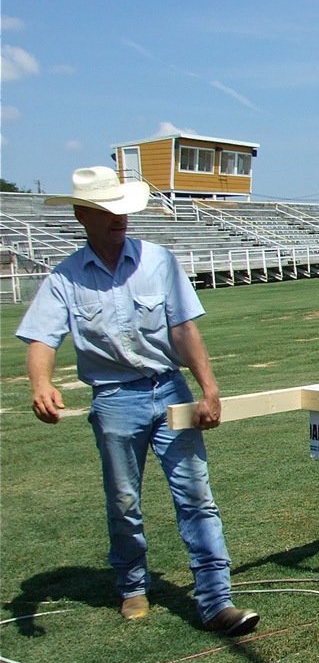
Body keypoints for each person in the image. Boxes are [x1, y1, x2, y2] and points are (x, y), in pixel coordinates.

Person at [15, 166, 258, 637]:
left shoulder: (158, 261)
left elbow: (184, 329)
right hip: (113, 399)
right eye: (107, 212)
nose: (118, 219)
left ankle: (216, 601)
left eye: (121, 210)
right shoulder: (65, 278)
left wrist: (209, 388)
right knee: (125, 500)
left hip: (169, 388)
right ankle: (131, 586)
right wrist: (40, 384)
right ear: (83, 215)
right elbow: (41, 338)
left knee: (196, 497)